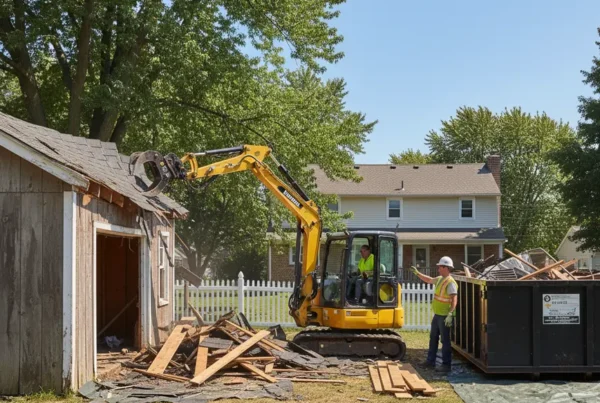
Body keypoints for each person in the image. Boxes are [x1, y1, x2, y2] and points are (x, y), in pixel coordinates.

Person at [411, 256, 458, 373]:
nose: (438, 269)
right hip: (437, 315)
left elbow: (454, 298)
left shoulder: (450, 282)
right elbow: (429, 280)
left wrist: (451, 314)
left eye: (440, 267)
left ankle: (446, 365)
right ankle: (430, 361)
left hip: (444, 316)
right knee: (433, 338)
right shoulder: (440, 279)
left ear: (446, 267)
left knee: (445, 341)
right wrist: (418, 274)